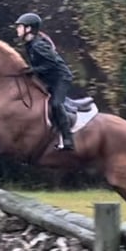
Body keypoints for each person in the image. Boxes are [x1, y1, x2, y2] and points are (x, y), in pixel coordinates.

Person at [14, 12, 75, 151]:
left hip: (61, 78)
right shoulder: (29, 45)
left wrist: (33, 70)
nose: (17, 29)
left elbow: (52, 64)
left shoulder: (38, 45)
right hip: (49, 78)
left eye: (20, 27)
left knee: (55, 104)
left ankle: (68, 139)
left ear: (28, 29)